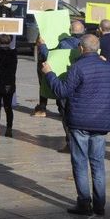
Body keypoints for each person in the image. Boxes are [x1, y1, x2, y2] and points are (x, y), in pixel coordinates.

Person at [42, 34, 110, 217]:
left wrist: (49, 74)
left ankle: (84, 203)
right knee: (98, 163)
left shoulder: (78, 67)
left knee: (80, 162)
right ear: (98, 49)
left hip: (80, 122)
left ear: (81, 49)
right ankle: (100, 205)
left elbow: (61, 91)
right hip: (101, 122)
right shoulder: (109, 67)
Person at [36, 20, 86, 152]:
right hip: (82, 85)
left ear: (70, 31)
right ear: (83, 31)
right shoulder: (87, 44)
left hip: (65, 81)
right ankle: (82, 141)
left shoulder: (63, 44)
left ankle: (71, 142)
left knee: (65, 112)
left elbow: (50, 57)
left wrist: (43, 46)